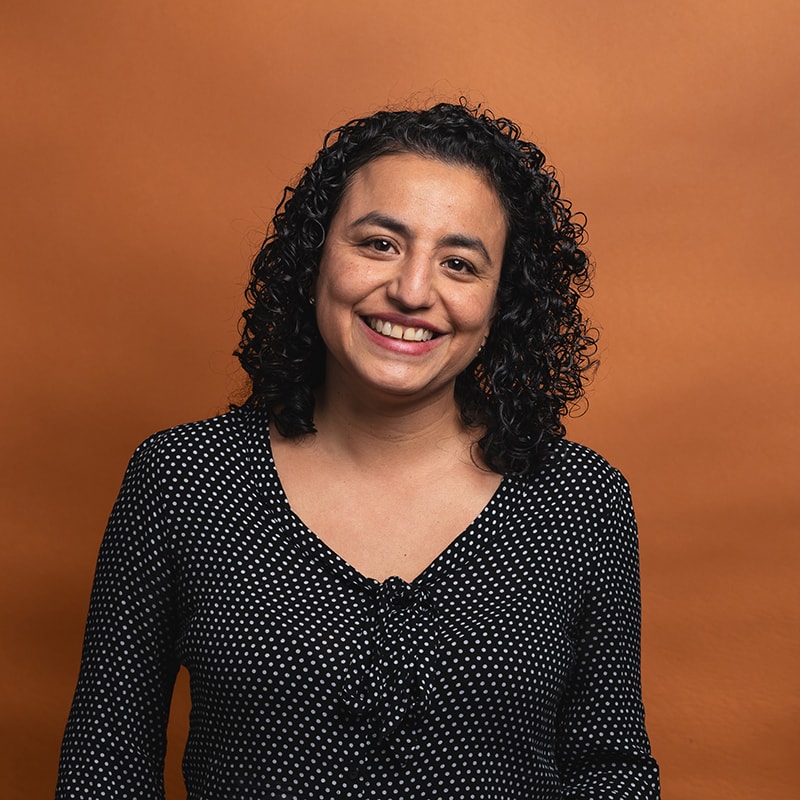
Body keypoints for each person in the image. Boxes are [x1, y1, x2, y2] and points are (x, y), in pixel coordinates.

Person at [56, 100, 660, 799]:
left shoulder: (580, 500)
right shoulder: (183, 478)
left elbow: (610, 770)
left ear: (503, 303)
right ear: (315, 257)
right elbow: (106, 762)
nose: (410, 291)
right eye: (379, 243)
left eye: (460, 263)